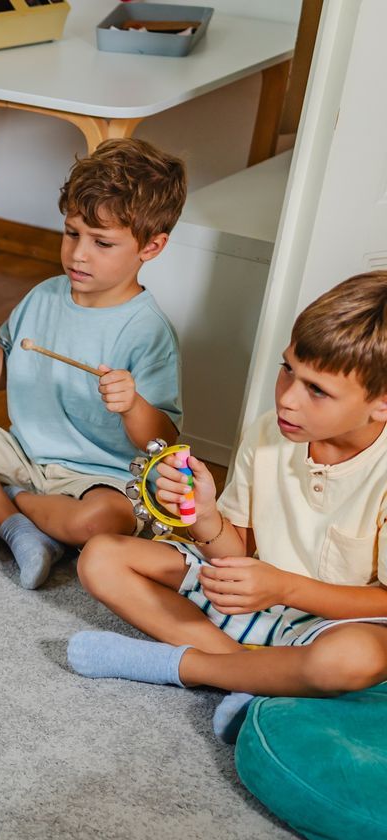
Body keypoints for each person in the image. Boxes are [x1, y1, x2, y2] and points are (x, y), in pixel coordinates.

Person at [67, 272, 387, 742]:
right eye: (288, 369)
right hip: (255, 594)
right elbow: (233, 555)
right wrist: (207, 517)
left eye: (317, 390)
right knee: (102, 556)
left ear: (381, 403)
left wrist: (285, 587)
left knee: (355, 659)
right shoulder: (269, 431)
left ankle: (188, 666)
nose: (287, 398)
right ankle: (251, 675)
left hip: (335, 624)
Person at [0, 138, 188, 589]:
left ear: (151, 247)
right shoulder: (44, 295)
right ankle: (20, 529)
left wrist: (133, 404)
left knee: (96, 522)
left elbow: (163, 441)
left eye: (103, 243)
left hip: (101, 478)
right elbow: (0, 375)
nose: (79, 253)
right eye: (72, 233)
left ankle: (8, 505)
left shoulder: (147, 330)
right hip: (24, 454)